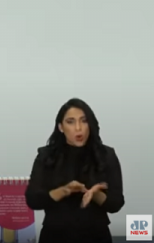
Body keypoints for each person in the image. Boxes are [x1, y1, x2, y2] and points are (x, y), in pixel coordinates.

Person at [24, 98, 124, 243]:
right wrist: (65, 190)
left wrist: (95, 194)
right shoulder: (46, 156)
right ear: (61, 127)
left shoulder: (106, 155)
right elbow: (33, 200)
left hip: (96, 235)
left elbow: (116, 204)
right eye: (70, 122)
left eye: (84, 121)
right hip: (55, 236)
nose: (78, 128)